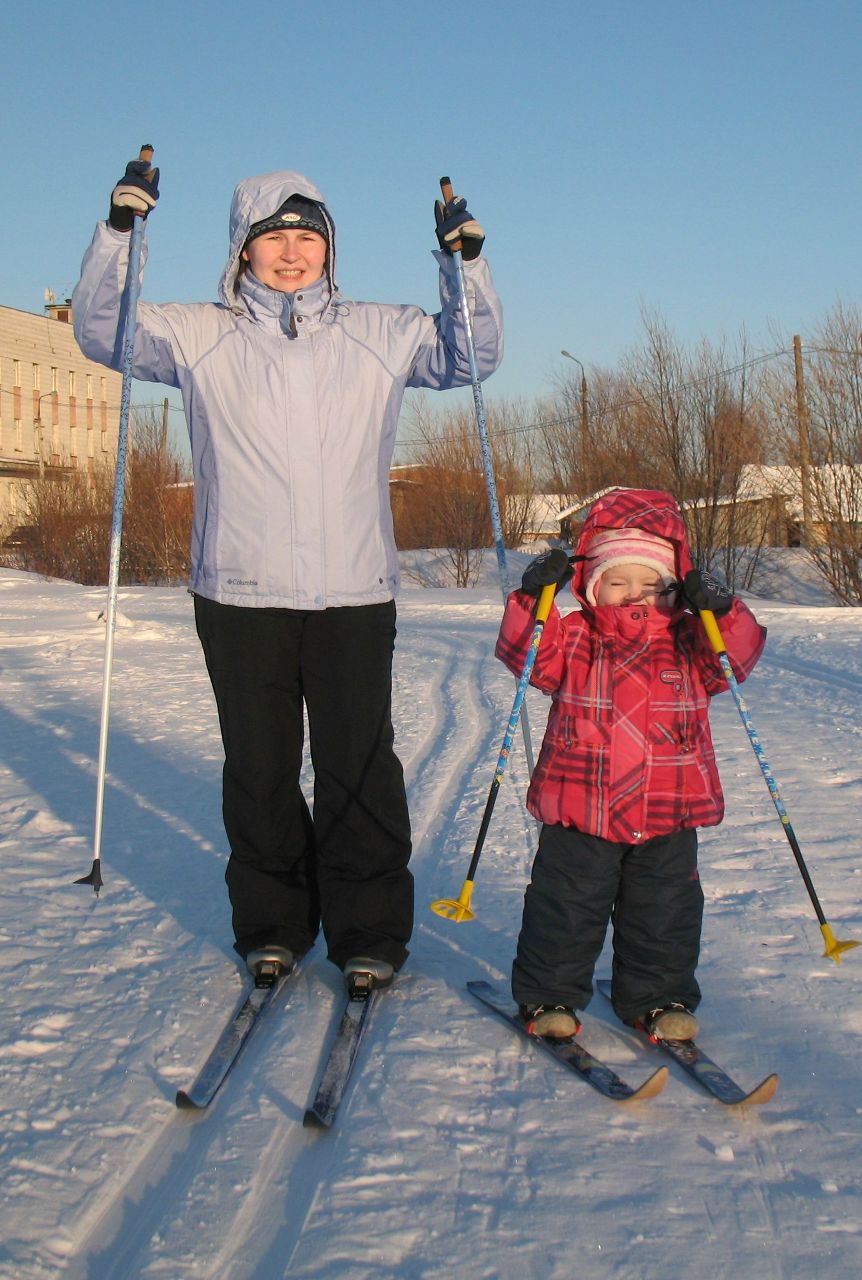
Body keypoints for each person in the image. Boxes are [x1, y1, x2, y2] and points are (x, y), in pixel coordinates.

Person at [72, 156, 503, 991]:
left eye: (308, 235)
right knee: (260, 768)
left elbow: (470, 356)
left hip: (352, 591)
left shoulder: (380, 331)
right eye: (275, 237)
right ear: (242, 249)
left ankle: (368, 930)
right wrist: (121, 234)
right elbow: (104, 331)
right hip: (239, 592)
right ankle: (272, 925)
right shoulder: (198, 334)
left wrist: (465, 263)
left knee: (357, 765)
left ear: (330, 248)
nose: (292, 251)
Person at [495, 488, 766, 1039]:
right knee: (565, 908)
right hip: (581, 807)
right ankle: (550, 997)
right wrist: (533, 602)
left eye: (651, 584)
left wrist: (723, 612)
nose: (634, 595)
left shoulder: (693, 641)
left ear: (673, 589)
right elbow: (527, 658)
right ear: (593, 585)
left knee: (664, 913)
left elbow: (735, 661)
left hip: (669, 809)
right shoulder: (574, 637)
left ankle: (658, 998)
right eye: (619, 582)